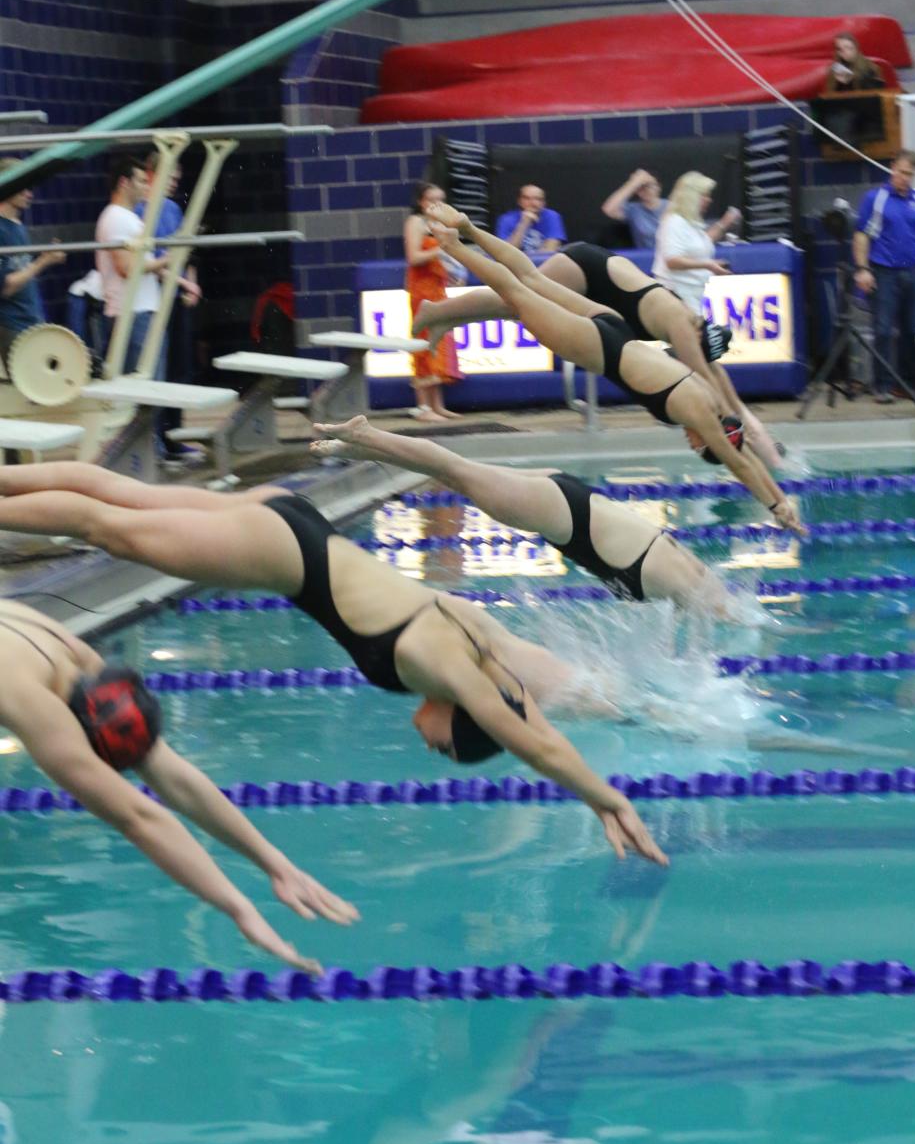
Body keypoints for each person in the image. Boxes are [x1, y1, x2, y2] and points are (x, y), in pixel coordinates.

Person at [0, 462, 666, 867]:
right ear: (457, 719)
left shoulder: (480, 643)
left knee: (117, 498)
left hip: (294, 525)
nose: (425, 744)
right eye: (443, 748)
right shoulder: (439, 663)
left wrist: (633, 709)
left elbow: (531, 699)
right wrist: (606, 799)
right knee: (104, 524)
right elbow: (533, 738)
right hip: (280, 552)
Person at [0, 599, 358, 973]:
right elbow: (138, 818)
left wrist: (276, 864)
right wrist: (239, 908)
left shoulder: (51, 675)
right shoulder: (58, 669)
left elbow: (173, 777)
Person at [422, 204, 801, 531]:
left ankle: (469, 231)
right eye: (697, 446)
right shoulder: (700, 409)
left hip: (615, 326)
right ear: (706, 438)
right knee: (520, 296)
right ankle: (456, 244)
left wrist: (780, 499)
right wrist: (776, 505)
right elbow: (739, 463)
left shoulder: (712, 398)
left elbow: (740, 444)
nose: (690, 443)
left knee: (531, 282)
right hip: (600, 347)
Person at [417, 233, 785, 473]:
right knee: (515, 298)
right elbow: (715, 398)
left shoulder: (694, 334)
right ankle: (438, 313)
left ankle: (447, 320)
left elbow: (732, 403)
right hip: (587, 269)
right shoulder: (681, 325)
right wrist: (744, 449)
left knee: (515, 303)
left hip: (600, 288)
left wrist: (769, 457)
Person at [311, 414, 731, 614]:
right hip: (564, 514)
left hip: (570, 502)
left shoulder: (692, 576)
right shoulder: (688, 590)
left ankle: (356, 447)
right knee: (455, 469)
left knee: (456, 475)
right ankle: (367, 434)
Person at [853, 149, 915, 402]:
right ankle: (882, 386)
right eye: (901, 172)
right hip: (884, 272)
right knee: (882, 329)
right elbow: (861, 235)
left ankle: (906, 384)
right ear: (893, 168)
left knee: (911, 330)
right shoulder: (876, 199)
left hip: (914, 271)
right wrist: (862, 269)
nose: (904, 178)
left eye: (909, 174)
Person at [138, 150, 202, 457]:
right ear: (152, 174)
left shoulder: (173, 209)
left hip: (177, 295)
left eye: (177, 178)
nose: (174, 183)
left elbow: (184, 252)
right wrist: (182, 281)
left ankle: (173, 434)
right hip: (156, 298)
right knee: (158, 370)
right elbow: (151, 261)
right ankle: (158, 438)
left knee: (181, 368)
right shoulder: (141, 211)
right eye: (170, 177)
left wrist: (192, 282)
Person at [94, 155, 169, 372]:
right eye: (142, 181)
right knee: (146, 391)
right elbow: (127, 268)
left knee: (150, 388)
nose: (147, 186)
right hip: (133, 314)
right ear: (124, 183)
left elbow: (142, 264)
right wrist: (167, 259)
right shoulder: (116, 218)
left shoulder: (127, 217)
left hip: (139, 313)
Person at [405, 181, 463, 422]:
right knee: (424, 342)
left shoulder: (439, 224)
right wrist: (440, 251)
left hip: (438, 288)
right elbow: (414, 257)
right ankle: (423, 407)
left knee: (438, 342)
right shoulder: (415, 222)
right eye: (431, 200)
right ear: (421, 201)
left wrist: (453, 273)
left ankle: (437, 405)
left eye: (441, 200)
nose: (436, 205)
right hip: (422, 291)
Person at [653, 170, 742, 314]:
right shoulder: (674, 222)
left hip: (691, 297)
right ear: (691, 196)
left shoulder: (690, 224)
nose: (709, 200)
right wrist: (708, 265)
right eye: (704, 195)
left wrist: (726, 222)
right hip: (676, 297)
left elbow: (704, 242)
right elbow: (672, 261)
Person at [0, 159, 66, 345]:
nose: (29, 193)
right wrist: (43, 261)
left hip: (28, 323)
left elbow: (19, 273)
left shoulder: (17, 226)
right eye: (23, 186)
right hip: (10, 325)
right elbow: (5, 286)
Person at [600, 169, 666, 249]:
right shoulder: (633, 209)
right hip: (646, 256)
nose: (646, 190)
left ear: (659, 187)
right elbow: (609, 209)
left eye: (650, 186)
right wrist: (634, 183)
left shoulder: (671, 206)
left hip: (672, 256)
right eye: (641, 187)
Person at [495, 184, 566, 255]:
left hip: (544, 262)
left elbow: (550, 250)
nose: (533, 203)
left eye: (538, 199)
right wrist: (524, 223)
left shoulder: (552, 216)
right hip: (515, 263)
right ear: (519, 201)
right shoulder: (506, 219)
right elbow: (507, 253)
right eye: (527, 198)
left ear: (544, 203)